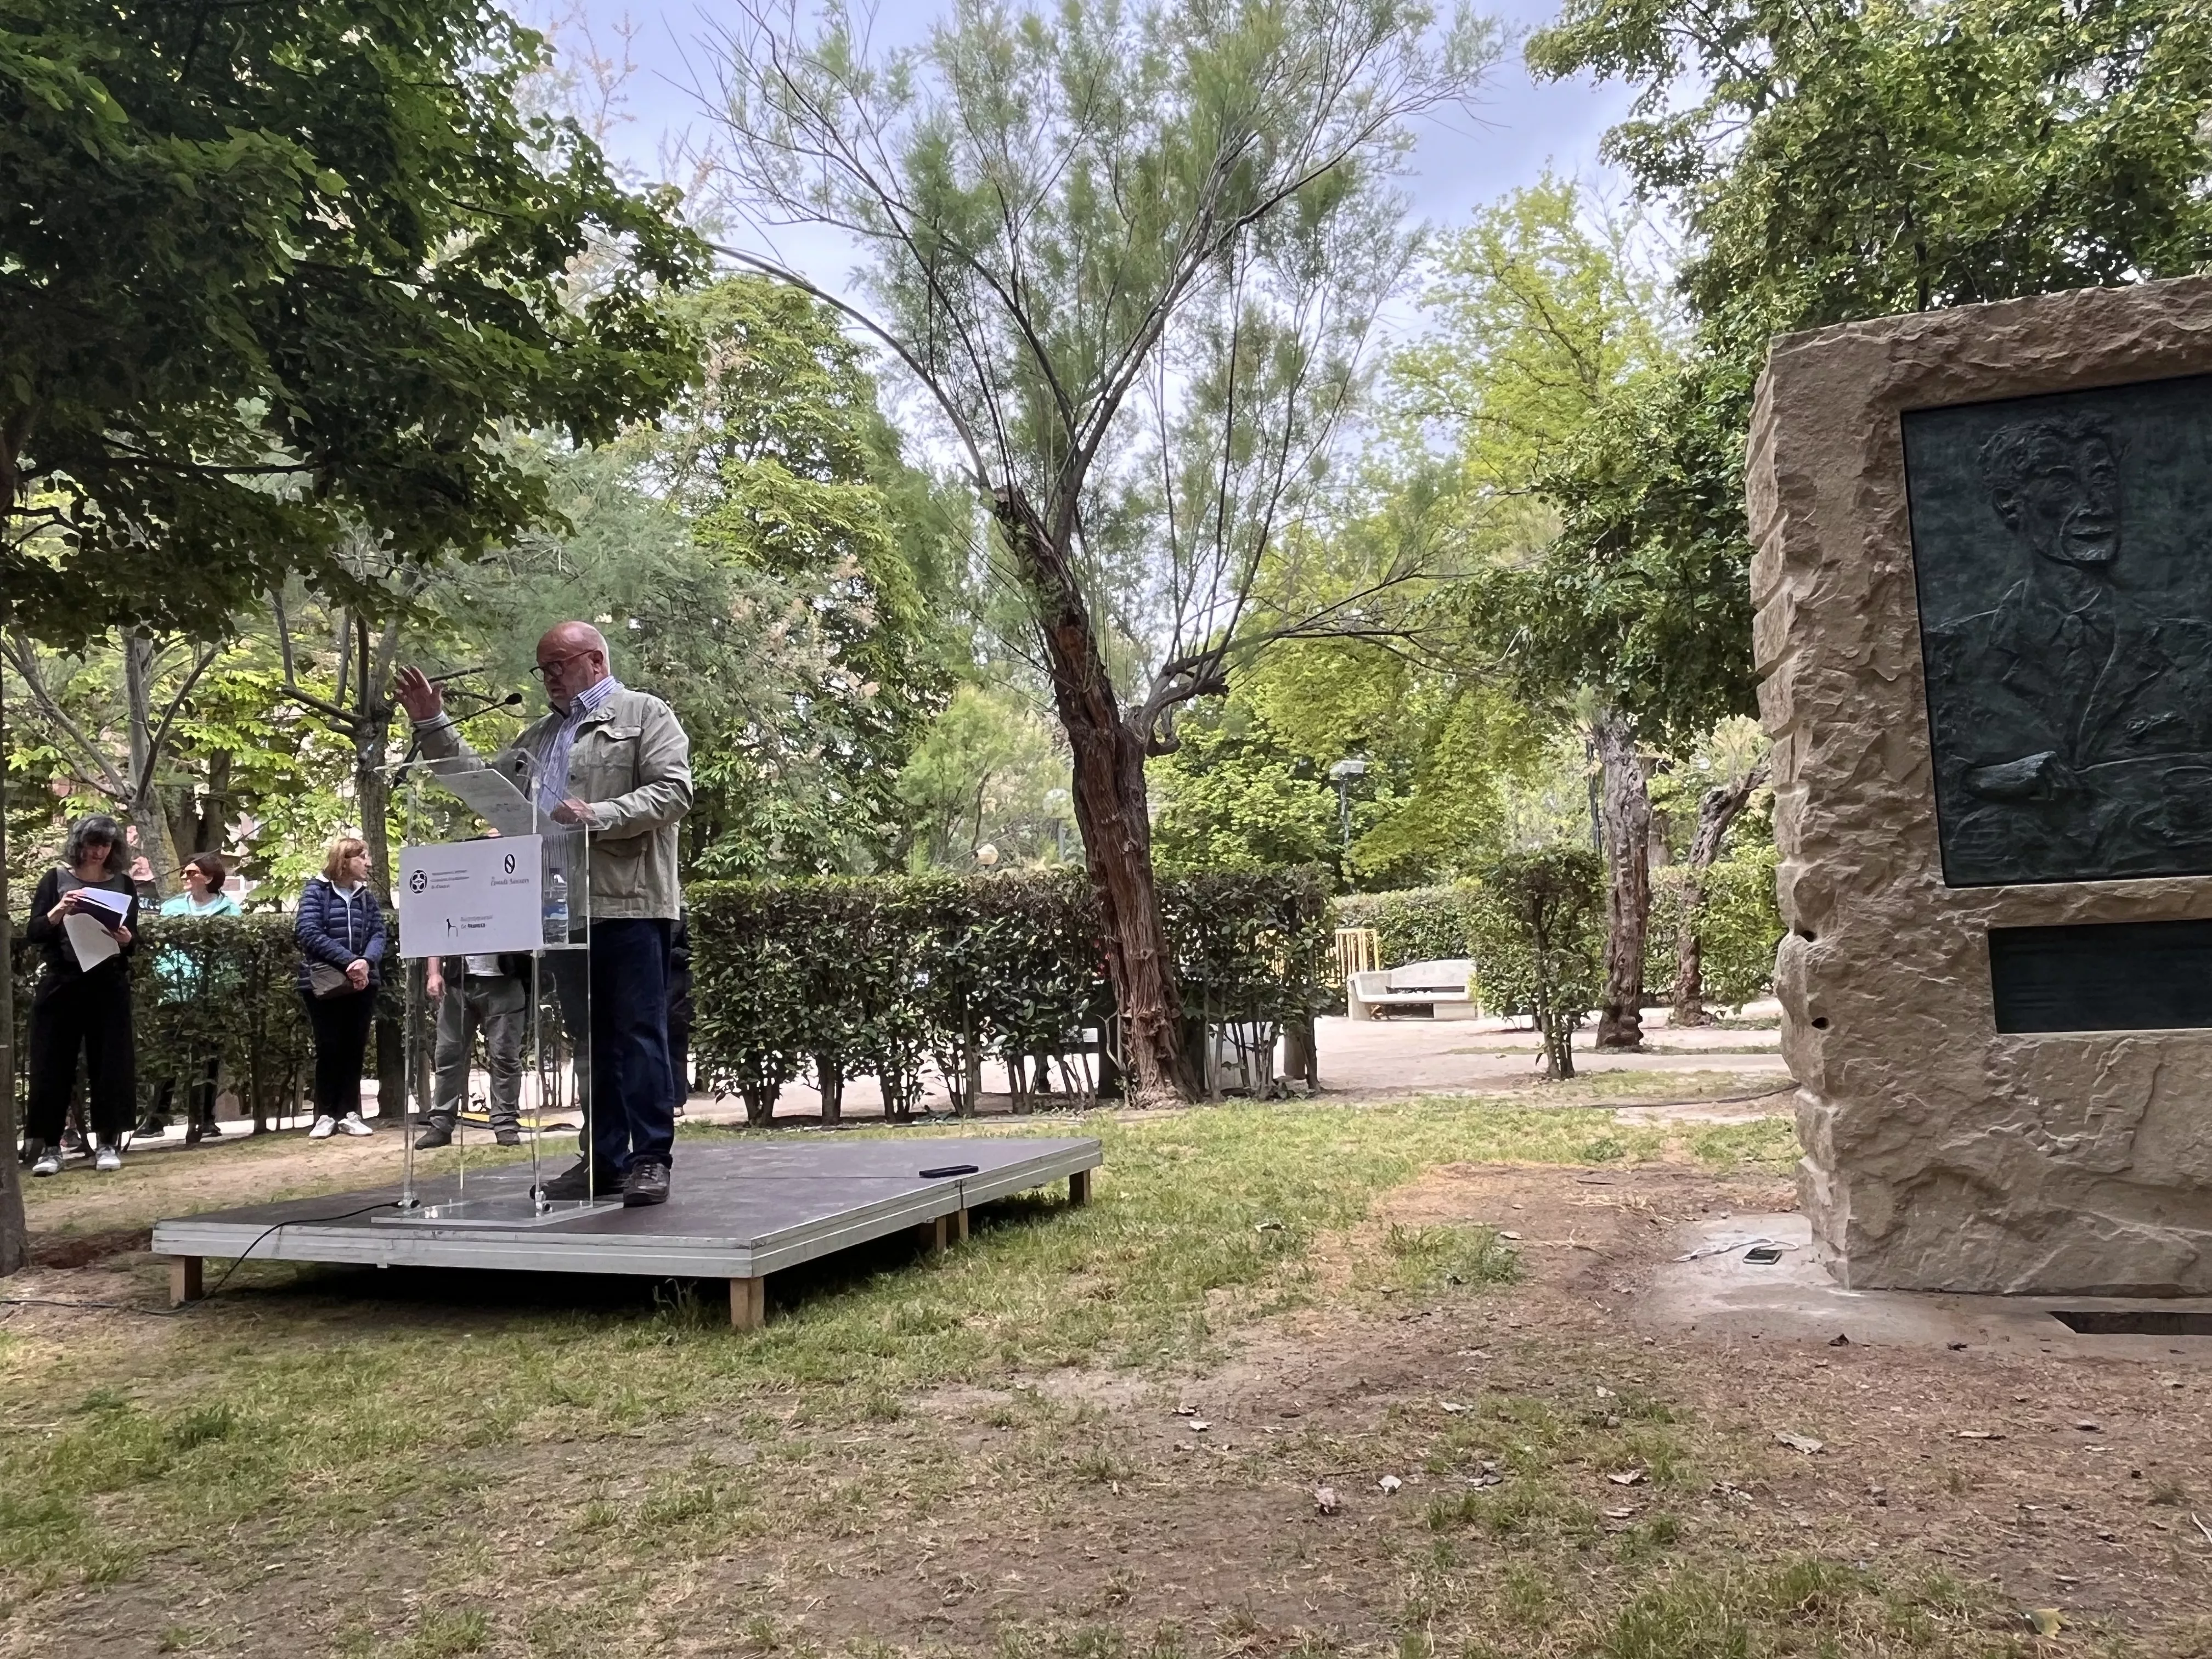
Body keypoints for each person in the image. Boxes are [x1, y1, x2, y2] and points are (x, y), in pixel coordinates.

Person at [394, 622, 691, 1205]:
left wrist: (600, 813)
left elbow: (675, 791)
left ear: (595, 662)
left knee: (637, 1035)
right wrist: (431, 723)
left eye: (558, 664)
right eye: (544, 668)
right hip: (561, 911)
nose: (549, 677)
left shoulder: (644, 715)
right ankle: (602, 1161)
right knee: (590, 1043)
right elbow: (480, 785)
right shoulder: (538, 737)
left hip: (629, 904)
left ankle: (650, 1158)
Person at [1924, 413, 2212, 882]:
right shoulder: (1951, 656)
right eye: (2061, 483)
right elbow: (1911, 788)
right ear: (2009, 504)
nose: (2093, 504)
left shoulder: (2195, 649)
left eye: (2101, 479)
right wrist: (1987, 779)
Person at [22, 814, 140, 1175]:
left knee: (111, 1065)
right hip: (62, 982)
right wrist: (58, 911)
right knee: (52, 1066)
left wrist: (127, 939)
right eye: (92, 845)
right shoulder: (55, 879)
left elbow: (133, 938)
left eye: (104, 845)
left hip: (107, 983)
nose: (98, 852)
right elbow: (34, 932)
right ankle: (49, 1150)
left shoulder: (122, 884)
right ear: (79, 844)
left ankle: (107, 1143)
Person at [139, 852, 242, 1142]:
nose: (185, 878)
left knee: (208, 1058)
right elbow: (161, 950)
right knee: (169, 1057)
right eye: (184, 873)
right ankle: (156, 1119)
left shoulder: (230, 911)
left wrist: (223, 984)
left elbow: (232, 954)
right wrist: (166, 977)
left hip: (213, 993)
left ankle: (205, 1121)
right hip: (175, 991)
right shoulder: (171, 909)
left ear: (209, 878)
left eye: (192, 873)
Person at [296, 836, 386, 1139]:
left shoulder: (365, 897)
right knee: (329, 1046)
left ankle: (349, 1113)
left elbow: (378, 932)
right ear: (344, 860)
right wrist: (349, 961)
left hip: (362, 984)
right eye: (363, 857)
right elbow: (308, 931)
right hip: (323, 983)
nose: (368, 863)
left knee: (354, 1047)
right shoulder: (316, 891)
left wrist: (365, 963)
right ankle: (324, 1114)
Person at [415, 952, 527, 1148]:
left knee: (505, 1056)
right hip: (457, 981)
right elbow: (437, 930)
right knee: (447, 1055)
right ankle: (440, 1125)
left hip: (507, 979)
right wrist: (433, 972)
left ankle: (506, 1123)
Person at [666, 908, 692, 1118]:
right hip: (651, 992)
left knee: (676, 1049)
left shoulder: (683, 916)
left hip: (677, 995)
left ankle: (677, 1101)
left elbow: (693, 954)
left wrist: (666, 952)